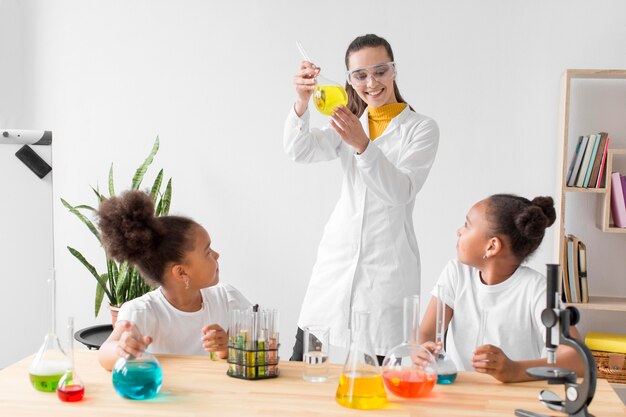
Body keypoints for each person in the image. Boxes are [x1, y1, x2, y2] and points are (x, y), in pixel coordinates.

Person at [284, 33, 439, 362]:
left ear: (394, 70)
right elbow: (299, 150)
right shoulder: (350, 123)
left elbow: (401, 191)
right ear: (349, 80)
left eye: (380, 71)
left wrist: (363, 145)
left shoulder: (421, 129)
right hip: (337, 258)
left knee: (381, 364)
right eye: (360, 75)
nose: (371, 83)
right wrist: (301, 102)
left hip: (387, 266)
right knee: (304, 354)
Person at [419, 194, 584, 382]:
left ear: (492, 246)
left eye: (467, 224)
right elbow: (426, 333)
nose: (459, 231)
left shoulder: (536, 289)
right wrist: (422, 351)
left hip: (512, 398)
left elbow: (578, 360)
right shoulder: (456, 273)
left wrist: (515, 370)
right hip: (459, 390)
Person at [97, 190, 250, 371]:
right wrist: (120, 349)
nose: (217, 255)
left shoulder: (227, 298)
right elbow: (104, 354)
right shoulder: (142, 311)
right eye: (208, 251)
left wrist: (227, 349)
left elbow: (257, 349)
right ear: (181, 273)